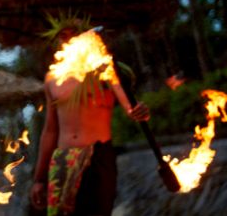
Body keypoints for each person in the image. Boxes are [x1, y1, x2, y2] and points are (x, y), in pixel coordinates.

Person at [29, 23, 150, 216]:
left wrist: (139, 111)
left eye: (73, 34)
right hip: (62, 159)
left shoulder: (104, 70)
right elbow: (50, 130)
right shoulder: (52, 78)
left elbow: (130, 107)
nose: (68, 39)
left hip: (98, 158)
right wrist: (39, 178)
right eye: (63, 35)